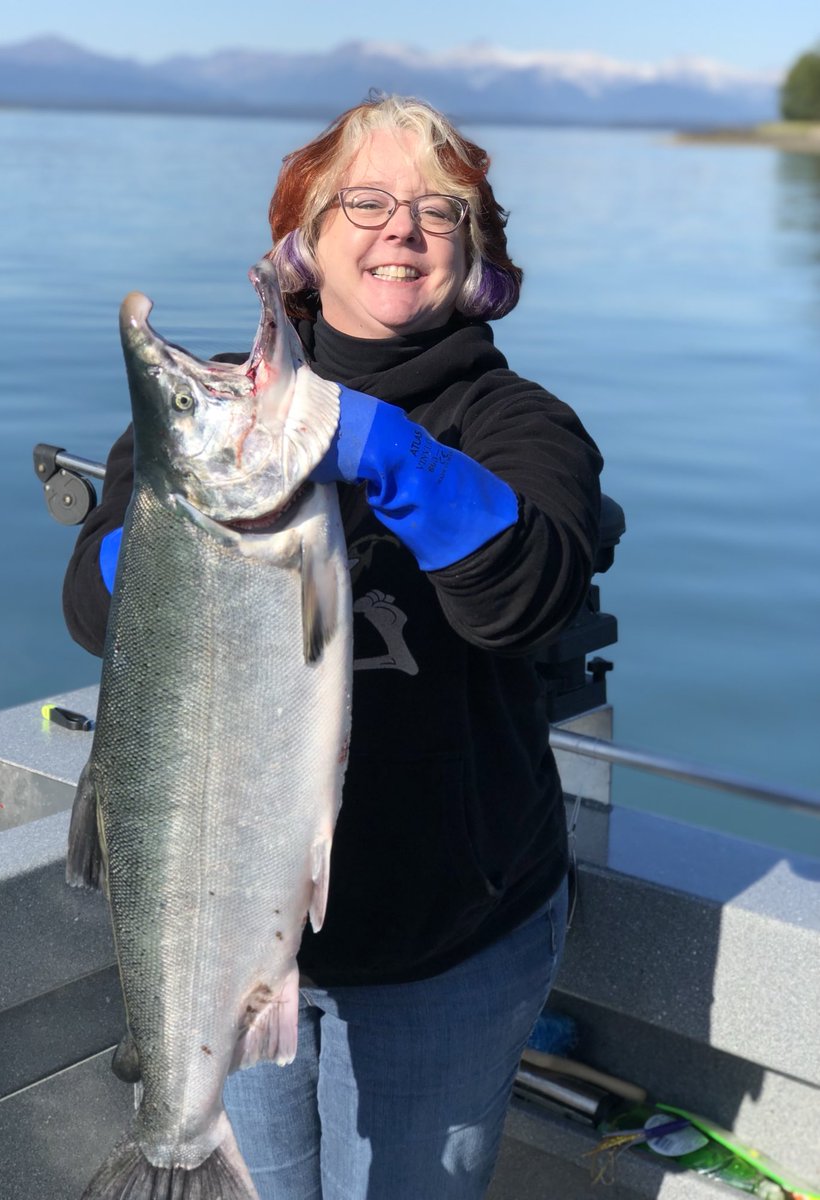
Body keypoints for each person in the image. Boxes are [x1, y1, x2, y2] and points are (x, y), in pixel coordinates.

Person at [63, 94, 602, 1200]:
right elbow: (88, 605)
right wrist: (178, 526)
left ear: (477, 255)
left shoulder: (518, 426)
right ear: (302, 242)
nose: (399, 228)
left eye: (438, 210)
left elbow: (531, 593)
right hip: (221, 918)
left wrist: (381, 448)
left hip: (448, 940)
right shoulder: (208, 410)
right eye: (363, 200)